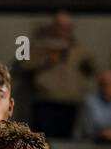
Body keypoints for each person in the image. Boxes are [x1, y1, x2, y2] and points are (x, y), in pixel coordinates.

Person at [21, 10, 95, 140]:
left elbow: (93, 68)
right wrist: (46, 59)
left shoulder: (78, 48)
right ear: (54, 27)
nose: (64, 30)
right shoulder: (40, 44)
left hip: (70, 103)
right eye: (61, 26)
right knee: (44, 145)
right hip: (47, 103)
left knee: (68, 144)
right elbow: (24, 64)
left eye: (67, 27)